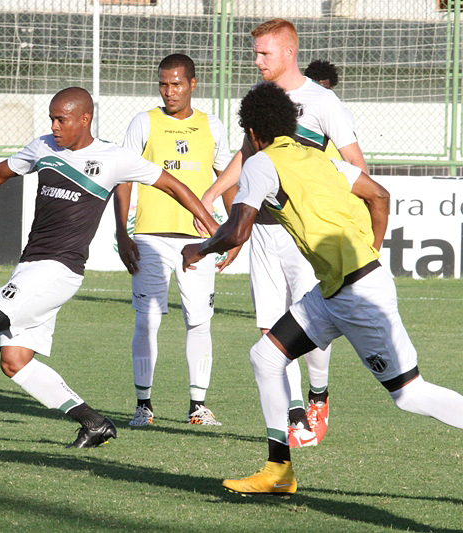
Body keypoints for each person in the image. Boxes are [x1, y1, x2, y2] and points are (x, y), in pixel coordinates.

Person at [0, 86, 220, 448]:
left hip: (57, 270)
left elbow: (173, 186)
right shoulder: (43, 148)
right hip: (31, 267)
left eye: (61, 119)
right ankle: (94, 423)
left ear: (85, 119)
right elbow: (1, 173)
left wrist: (212, 229)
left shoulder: (114, 158)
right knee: (14, 361)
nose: (54, 126)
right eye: (51, 118)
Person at [182, 81, 463, 494]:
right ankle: (278, 471)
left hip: (358, 296)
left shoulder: (261, 163)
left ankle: (280, 469)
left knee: (410, 395)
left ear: (253, 133)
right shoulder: (316, 157)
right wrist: (371, 251)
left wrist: (200, 247)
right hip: (333, 292)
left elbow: (238, 230)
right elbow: (379, 196)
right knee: (265, 356)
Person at [200, 18, 369, 448]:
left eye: (264, 53)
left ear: (289, 53)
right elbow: (248, 153)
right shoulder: (262, 101)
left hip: (305, 234)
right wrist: (214, 191)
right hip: (264, 231)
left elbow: (357, 167)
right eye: (255, 52)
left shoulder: (322, 101)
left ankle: (318, 394)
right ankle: (295, 413)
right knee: (271, 330)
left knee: (309, 326)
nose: (256, 61)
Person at [113, 53, 234, 428]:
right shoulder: (143, 123)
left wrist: (231, 233)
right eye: (163, 84)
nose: (169, 91)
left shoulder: (211, 125)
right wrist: (122, 232)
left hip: (198, 242)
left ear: (193, 84)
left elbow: (228, 177)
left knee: (199, 322)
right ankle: (143, 406)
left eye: (177, 84)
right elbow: (123, 179)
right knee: (147, 321)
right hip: (149, 238)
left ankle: (198, 406)